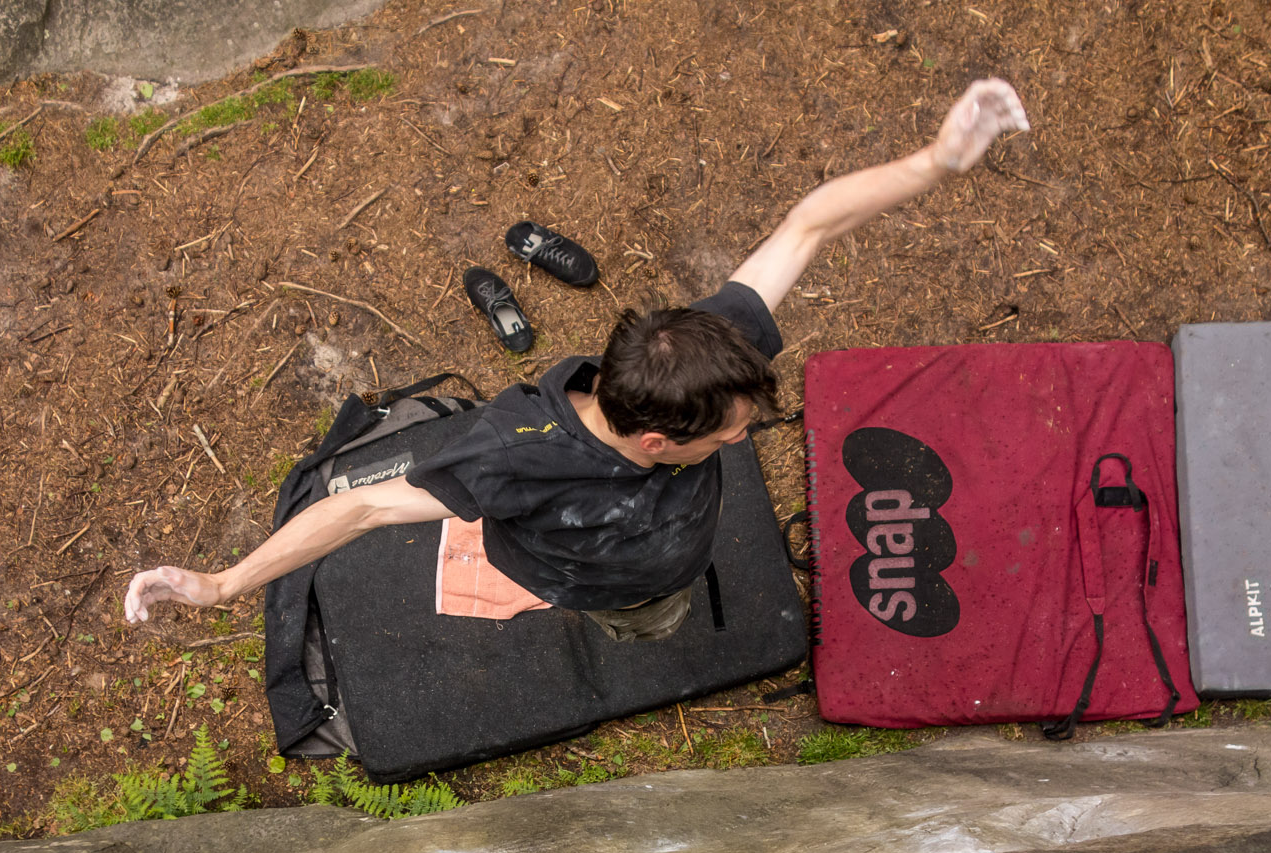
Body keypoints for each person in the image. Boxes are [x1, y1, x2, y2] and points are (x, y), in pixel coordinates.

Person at [124, 79, 1029, 640]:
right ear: (656, 442)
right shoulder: (510, 453)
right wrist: (221, 583)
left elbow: (809, 223)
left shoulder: (697, 356)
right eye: (731, 434)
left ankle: (656, 600)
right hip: (592, 578)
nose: (746, 433)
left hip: (666, 549)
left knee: (670, 593)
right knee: (638, 619)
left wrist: (936, 160)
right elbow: (357, 507)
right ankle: (608, 615)